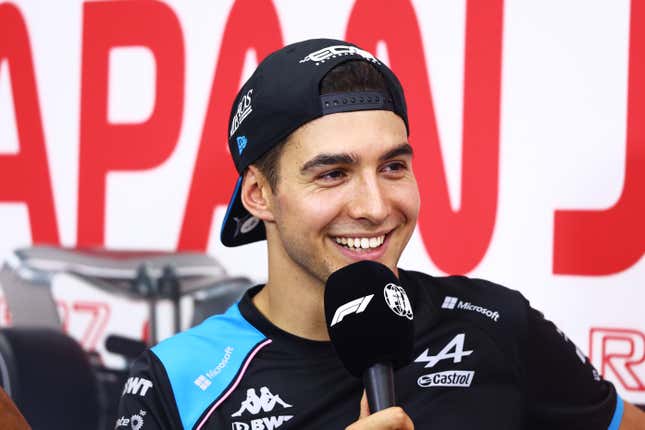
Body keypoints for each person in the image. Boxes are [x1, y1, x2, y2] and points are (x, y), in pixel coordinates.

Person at [116, 38, 645, 429]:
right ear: (258, 195)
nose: (375, 207)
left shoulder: (496, 325)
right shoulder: (178, 379)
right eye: (332, 174)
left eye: (393, 167)